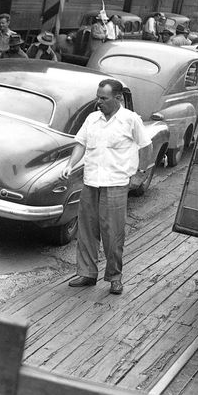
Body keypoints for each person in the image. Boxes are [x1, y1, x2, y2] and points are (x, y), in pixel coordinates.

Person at [61, 79, 151, 295]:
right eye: (97, 97)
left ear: (117, 98)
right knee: (86, 231)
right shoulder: (92, 119)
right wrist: (70, 164)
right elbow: (80, 143)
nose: (98, 101)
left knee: (113, 234)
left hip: (116, 185)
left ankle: (114, 277)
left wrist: (140, 174)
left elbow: (146, 146)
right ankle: (87, 273)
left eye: (103, 98)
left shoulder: (130, 120)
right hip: (91, 182)